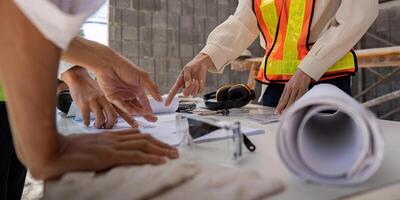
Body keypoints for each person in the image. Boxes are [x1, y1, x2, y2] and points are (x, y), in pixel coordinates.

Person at [0, 0, 178, 188]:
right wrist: (47, 150)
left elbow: (38, 22)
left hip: (16, 97)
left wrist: (101, 61)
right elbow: (21, 13)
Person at [166, 0, 379, 114]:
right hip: (276, 87)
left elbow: (358, 14)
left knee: (327, 160)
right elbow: (244, 20)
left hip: (327, 81)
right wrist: (205, 57)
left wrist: (308, 69)